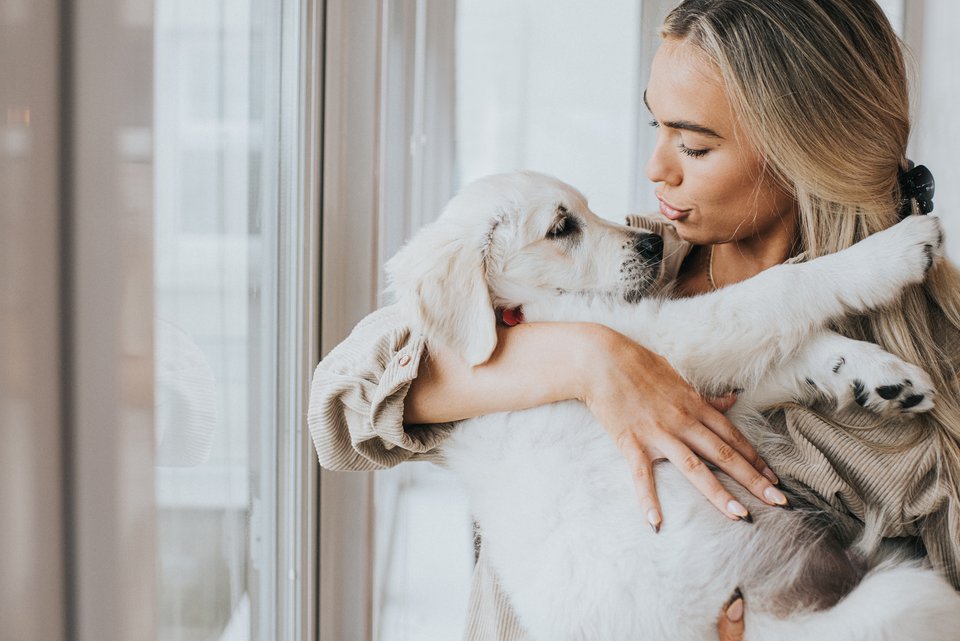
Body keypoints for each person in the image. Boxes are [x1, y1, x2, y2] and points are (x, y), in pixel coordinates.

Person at [308, 0, 960, 639]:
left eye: (694, 145)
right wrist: (593, 360)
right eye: (657, 127)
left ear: (805, 151)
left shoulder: (923, 369)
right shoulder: (619, 267)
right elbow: (341, 407)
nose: (656, 169)